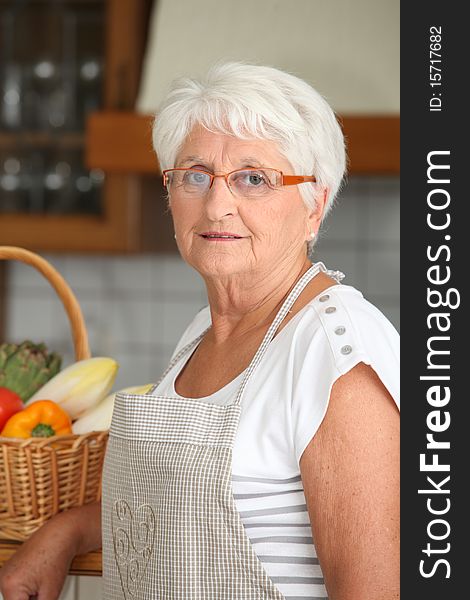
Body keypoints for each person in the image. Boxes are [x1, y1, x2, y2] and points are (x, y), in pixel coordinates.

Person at [0, 62, 399, 600]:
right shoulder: (202, 333)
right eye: (194, 174)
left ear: (315, 206)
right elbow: (176, 502)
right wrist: (64, 530)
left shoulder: (334, 351)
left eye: (254, 178)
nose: (216, 204)